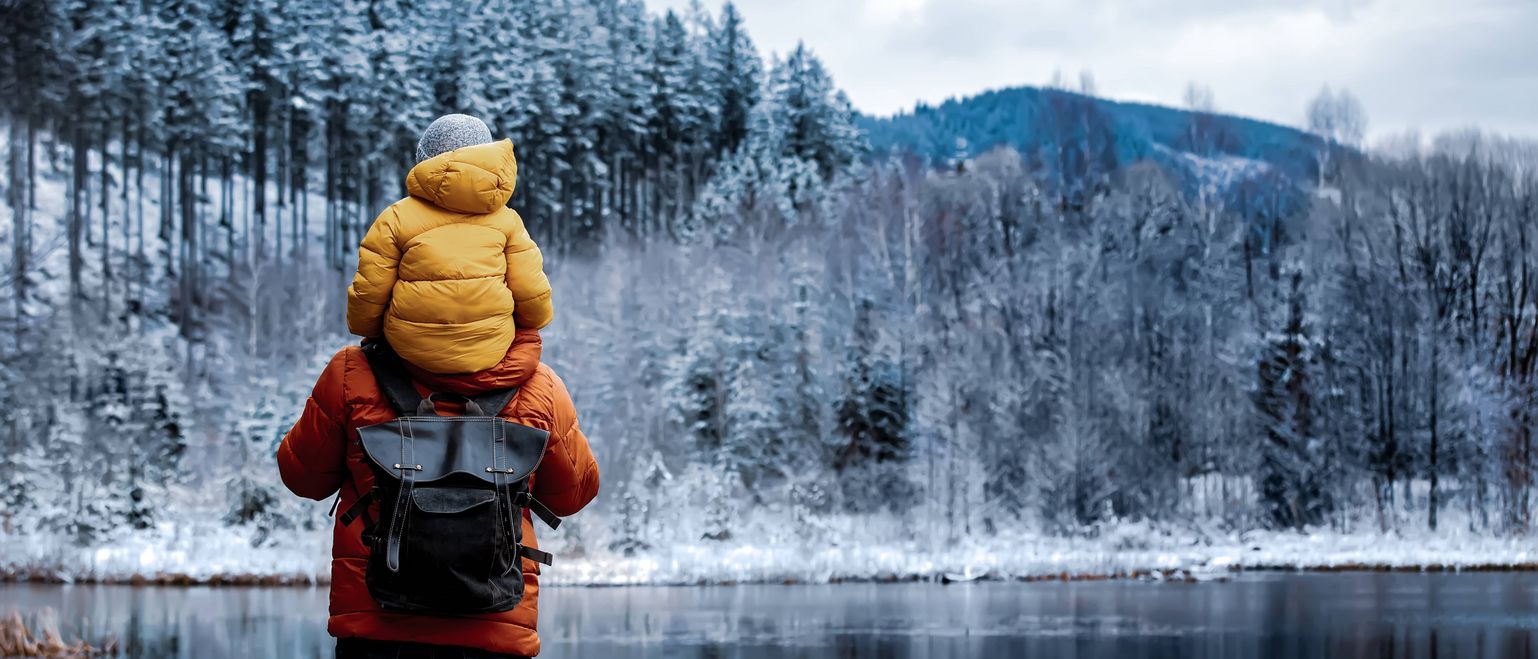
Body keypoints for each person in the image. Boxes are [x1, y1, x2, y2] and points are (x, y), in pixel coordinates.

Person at [277, 115, 599, 659]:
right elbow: (574, 494)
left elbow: (301, 476)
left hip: (377, 627)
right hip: (496, 629)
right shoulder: (539, 388)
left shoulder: (351, 375)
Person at [345, 113, 554, 375]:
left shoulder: (395, 217)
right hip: (492, 350)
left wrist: (370, 330)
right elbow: (535, 306)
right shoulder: (508, 222)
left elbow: (367, 299)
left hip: (409, 355)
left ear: (424, 160)